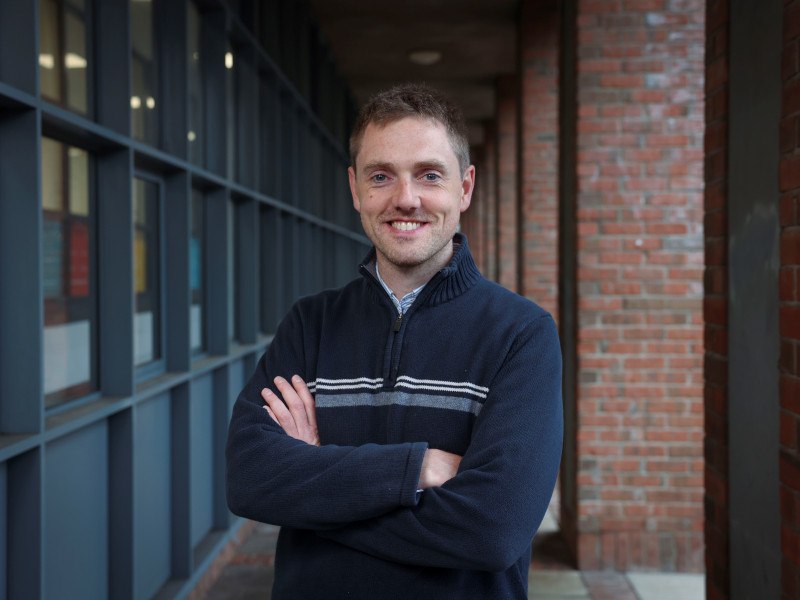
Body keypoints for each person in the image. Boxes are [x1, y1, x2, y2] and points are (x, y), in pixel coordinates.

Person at [225, 83, 563, 600]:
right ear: (356, 189)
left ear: (465, 188)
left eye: (430, 175)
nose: (406, 199)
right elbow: (250, 478)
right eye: (381, 176)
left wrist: (318, 491)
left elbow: (492, 529)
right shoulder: (309, 325)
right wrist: (415, 468)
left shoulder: (521, 335)